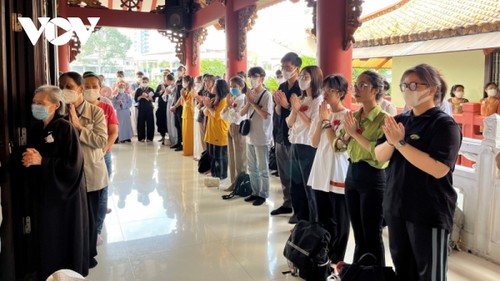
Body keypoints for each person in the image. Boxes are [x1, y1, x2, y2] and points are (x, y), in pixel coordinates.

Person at [375, 64, 462, 281]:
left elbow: (439, 169)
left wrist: (400, 142)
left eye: (413, 85)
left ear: (432, 89)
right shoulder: (400, 120)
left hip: (428, 211)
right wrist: (393, 143)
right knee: (403, 270)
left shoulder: (444, 125)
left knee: (429, 274)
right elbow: (379, 155)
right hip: (397, 207)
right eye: (404, 85)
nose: (407, 90)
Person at [22, 85, 89, 279]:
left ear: (55, 105)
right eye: (34, 103)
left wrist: (42, 161)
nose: (36, 106)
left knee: (65, 236)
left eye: (41, 103)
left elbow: (73, 165)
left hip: (66, 196)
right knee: (49, 238)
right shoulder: (37, 129)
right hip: (46, 194)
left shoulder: (65, 127)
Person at [336, 70, 389, 266]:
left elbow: (378, 154)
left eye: (362, 85)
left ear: (375, 90)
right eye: (355, 85)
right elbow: (337, 144)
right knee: (358, 232)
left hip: (373, 177)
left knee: (372, 233)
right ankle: (359, 273)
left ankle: (376, 275)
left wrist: (354, 134)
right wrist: (347, 136)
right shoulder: (353, 116)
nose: (356, 90)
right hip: (353, 175)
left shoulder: (384, 119)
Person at [59, 71, 108, 269]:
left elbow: (101, 141)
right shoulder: (59, 111)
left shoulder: (95, 112)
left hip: (91, 173)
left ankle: (88, 255)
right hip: (69, 174)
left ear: (81, 89)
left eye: (69, 87)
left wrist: (79, 127)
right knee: (73, 217)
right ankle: (74, 253)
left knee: (89, 217)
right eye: (62, 87)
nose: (65, 91)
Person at [308, 74, 350, 266]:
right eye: (324, 89)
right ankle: (323, 253)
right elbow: (315, 143)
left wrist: (326, 122)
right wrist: (321, 120)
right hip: (320, 170)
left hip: (338, 171)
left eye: (330, 90)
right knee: (322, 216)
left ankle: (337, 258)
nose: (325, 93)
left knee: (339, 219)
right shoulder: (322, 113)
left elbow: (338, 146)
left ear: (340, 93)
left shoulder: (348, 116)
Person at [83, 72, 119, 245]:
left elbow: (113, 132)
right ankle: (84, 226)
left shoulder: (106, 107)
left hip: (102, 155)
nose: (90, 90)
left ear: (100, 88)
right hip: (82, 157)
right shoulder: (74, 108)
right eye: (87, 86)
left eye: (94, 86)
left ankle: (96, 230)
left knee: (102, 191)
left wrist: (104, 150)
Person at [285, 65, 323, 221]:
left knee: (309, 186)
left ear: (314, 79)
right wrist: (294, 109)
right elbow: (289, 123)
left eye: (305, 77)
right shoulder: (300, 99)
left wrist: (299, 110)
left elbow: (313, 126)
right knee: (295, 183)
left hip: (308, 146)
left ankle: (311, 221)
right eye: (300, 77)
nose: (301, 80)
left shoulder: (318, 100)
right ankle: (299, 216)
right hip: (295, 143)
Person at [271, 52, 302, 220]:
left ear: (297, 68)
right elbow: (278, 112)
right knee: (283, 173)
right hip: (281, 134)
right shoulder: (282, 87)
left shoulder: (302, 89)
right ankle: (287, 203)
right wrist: (278, 104)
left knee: (296, 175)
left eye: (288, 68)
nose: (285, 71)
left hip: (295, 137)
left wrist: (286, 105)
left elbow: (302, 115)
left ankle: (298, 209)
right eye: (283, 67)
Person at [240, 67, 274, 206]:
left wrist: (253, 103)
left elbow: (266, 115)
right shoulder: (250, 93)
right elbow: (242, 113)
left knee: (263, 168)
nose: (252, 80)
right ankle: (255, 192)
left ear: (262, 78)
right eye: (250, 77)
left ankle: (263, 194)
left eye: (255, 77)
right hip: (250, 136)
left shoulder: (267, 95)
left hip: (262, 136)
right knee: (252, 167)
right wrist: (249, 101)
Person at [221, 76, 248, 191]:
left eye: (235, 87)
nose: (232, 89)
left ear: (241, 87)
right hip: (230, 128)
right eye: (231, 86)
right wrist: (228, 106)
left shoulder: (243, 99)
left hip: (239, 128)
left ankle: (240, 183)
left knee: (240, 158)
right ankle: (233, 182)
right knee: (231, 157)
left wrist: (230, 108)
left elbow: (237, 117)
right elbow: (223, 116)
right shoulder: (233, 98)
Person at [202, 79, 230, 185]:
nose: (212, 87)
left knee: (220, 156)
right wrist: (207, 105)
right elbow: (206, 112)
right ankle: (214, 172)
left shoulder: (224, 101)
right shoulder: (216, 99)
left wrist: (209, 107)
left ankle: (221, 175)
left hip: (220, 132)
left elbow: (217, 116)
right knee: (212, 155)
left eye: (214, 85)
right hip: (211, 131)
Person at [171, 75, 195, 156]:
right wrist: (174, 106)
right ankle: (185, 148)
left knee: (188, 134)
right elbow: (181, 100)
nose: (183, 83)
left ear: (188, 82)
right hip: (184, 114)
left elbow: (189, 104)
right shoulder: (185, 91)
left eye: (184, 82)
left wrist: (184, 96)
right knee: (184, 132)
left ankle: (189, 150)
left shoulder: (192, 91)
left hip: (189, 115)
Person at [170, 65, 186, 150]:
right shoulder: (177, 81)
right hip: (176, 106)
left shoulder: (184, 81)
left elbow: (182, 96)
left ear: (184, 71)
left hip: (181, 107)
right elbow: (175, 95)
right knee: (177, 125)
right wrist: (173, 105)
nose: (178, 71)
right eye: (178, 70)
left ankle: (183, 144)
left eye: (181, 70)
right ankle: (178, 142)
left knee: (181, 126)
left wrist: (176, 106)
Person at [134, 77, 155, 142]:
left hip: (149, 108)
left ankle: (150, 137)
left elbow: (153, 99)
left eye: (146, 82)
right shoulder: (138, 90)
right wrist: (141, 96)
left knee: (150, 123)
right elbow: (136, 99)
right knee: (141, 123)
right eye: (143, 82)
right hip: (141, 108)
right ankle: (141, 137)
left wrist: (148, 96)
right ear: (141, 82)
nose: (144, 83)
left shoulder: (151, 89)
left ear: (148, 82)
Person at [154, 71, 170, 144]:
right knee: (160, 121)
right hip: (161, 107)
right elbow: (155, 95)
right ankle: (162, 136)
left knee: (168, 122)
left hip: (168, 107)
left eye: (166, 76)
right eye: (163, 76)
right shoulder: (160, 85)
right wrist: (161, 92)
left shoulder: (171, 85)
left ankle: (169, 137)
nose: (164, 77)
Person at [165, 74, 178, 146]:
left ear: (171, 80)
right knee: (169, 121)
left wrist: (171, 93)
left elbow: (176, 96)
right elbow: (164, 97)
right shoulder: (168, 87)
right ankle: (171, 139)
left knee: (173, 122)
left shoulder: (176, 87)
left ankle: (176, 140)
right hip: (168, 105)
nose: (166, 82)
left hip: (173, 104)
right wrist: (166, 93)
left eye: (167, 80)